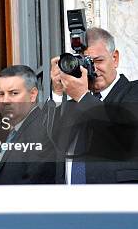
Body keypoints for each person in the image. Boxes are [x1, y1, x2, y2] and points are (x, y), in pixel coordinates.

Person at [48, 27, 138, 184]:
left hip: (117, 201)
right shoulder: (74, 104)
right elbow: (48, 143)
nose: (93, 70)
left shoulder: (133, 91)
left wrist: (83, 96)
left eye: (98, 61)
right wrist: (56, 93)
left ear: (115, 58)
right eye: (86, 64)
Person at [0, 65, 55, 184]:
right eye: (1, 94)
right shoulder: (11, 133)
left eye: (13, 93)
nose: (5, 101)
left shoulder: (43, 130)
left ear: (33, 95)